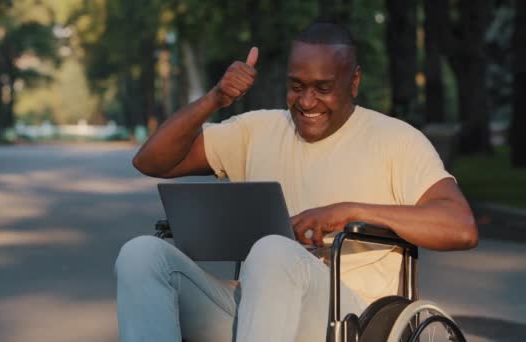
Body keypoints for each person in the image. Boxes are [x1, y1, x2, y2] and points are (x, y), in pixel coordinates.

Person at [115, 21, 478, 342]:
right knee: (141, 255)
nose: (306, 102)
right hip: (256, 308)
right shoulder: (256, 131)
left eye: (322, 88)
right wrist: (216, 98)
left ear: (354, 82)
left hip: (353, 321)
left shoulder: (396, 141)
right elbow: (151, 160)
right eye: (296, 86)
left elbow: (461, 227)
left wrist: (348, 211)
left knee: (274, 249)